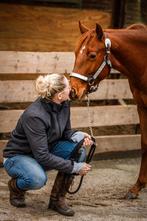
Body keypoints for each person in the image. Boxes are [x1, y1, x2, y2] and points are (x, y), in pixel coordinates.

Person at [3, 73, 92, 216]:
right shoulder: (34, 115)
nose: (71, 87)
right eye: (68, 86)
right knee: (37, 179)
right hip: (18, 157)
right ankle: (16, 187)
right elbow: (43, 156)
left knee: (79, 151)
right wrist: (74, 167)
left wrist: (78, 135)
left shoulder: (64, 103)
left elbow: (66, 132)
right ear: (60, 95)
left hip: (44, 150)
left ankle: (57, 200)